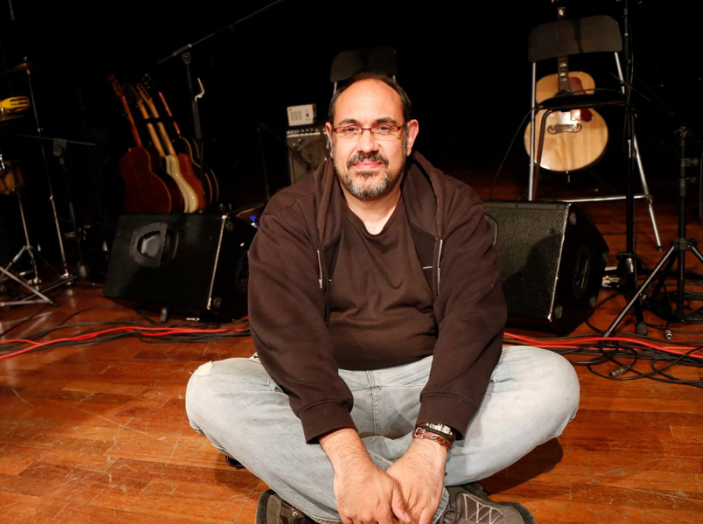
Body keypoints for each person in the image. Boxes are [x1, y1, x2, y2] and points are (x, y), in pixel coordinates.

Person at [186, 72, 580, 524]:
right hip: (329, 384)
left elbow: (471, 324)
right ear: (330, 138)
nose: (367, 145)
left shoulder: (454, 207)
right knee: (209, 391)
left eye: (384, 128)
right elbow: (289, 339)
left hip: (427, 383)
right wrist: (346, 451)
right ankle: (436, 505)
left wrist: (429, 444)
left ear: (409, 136)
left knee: (554, 382)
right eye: (351, 128)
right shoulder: (289, 216)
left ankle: (319, 491)